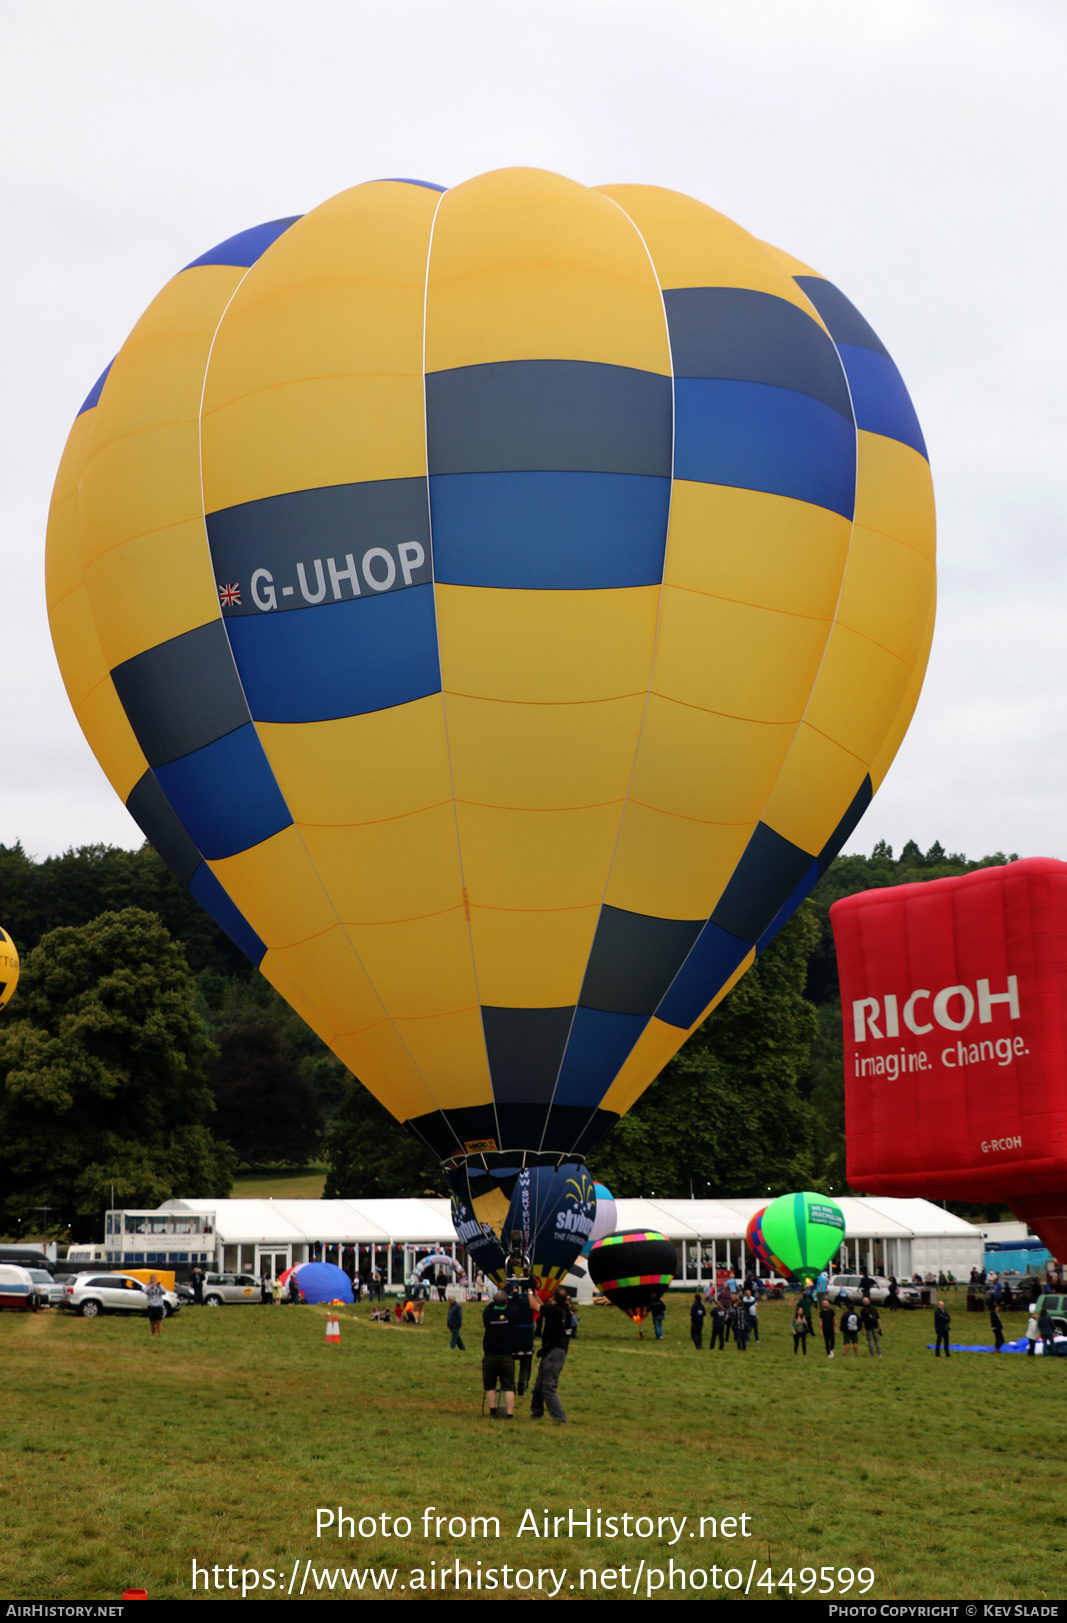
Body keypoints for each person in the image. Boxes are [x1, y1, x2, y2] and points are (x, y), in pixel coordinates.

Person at [530, 1287, 572, 1424]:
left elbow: (534, 1306)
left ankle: (560, 1418)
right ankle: (537, 1414)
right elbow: (542, 1306)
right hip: (552, 1351)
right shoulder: (562, 1310)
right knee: (538, 1387)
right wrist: (535, 1292)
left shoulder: (554, 1310)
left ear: (553, 1298)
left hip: (554, 1353)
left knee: (548, 1387)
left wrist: (528, 1290)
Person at [511, 1283, 535, 1394]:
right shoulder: (531, 1302)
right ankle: (522, 1385)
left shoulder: (512, 1303)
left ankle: (510, 1386)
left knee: (510, 1362)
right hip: (528, 1339)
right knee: (525, 1363)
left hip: (515, 1338)